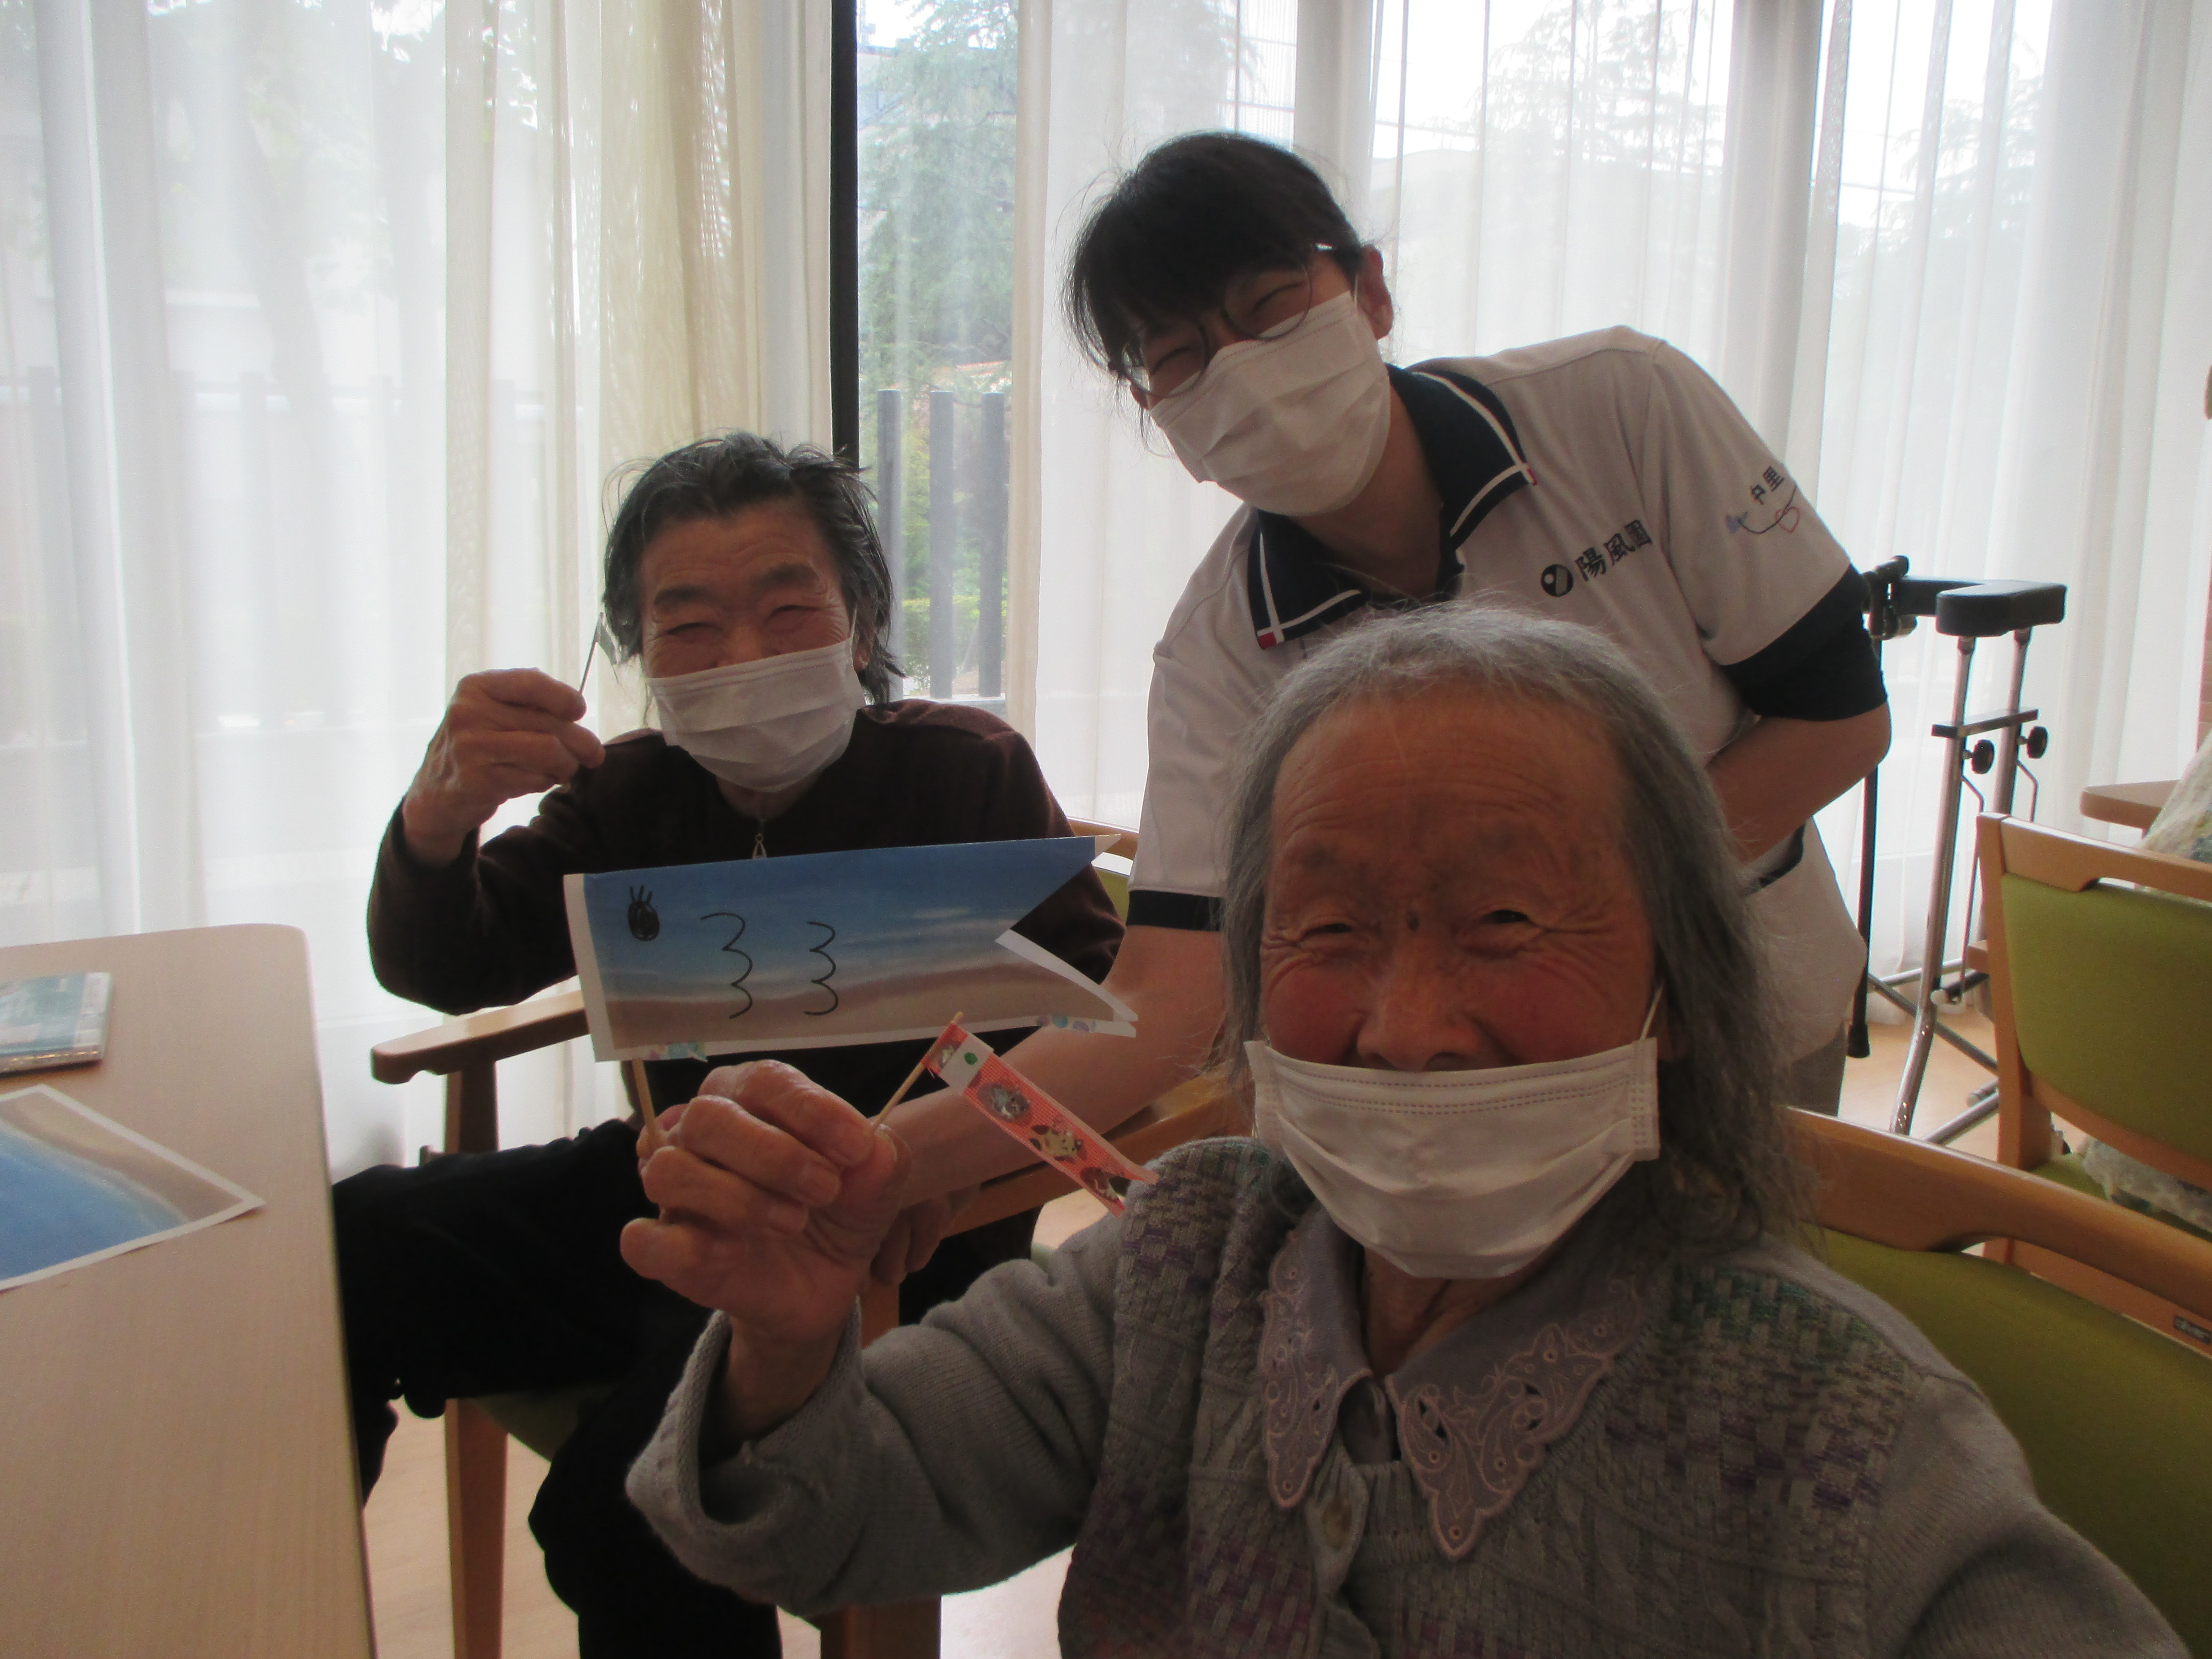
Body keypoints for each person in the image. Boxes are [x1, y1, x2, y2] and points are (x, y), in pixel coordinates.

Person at [617, 609, 2180, 1658]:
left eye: (1503, 920)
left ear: (1678, 989)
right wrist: (789, 1341)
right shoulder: (1186, 1258)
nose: (1406, 1026)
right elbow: (842, 1507)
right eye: (1329, 925)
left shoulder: (1835, 1437)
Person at [871, 132, 1888, 1245]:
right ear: (1159, 415)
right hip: (1444, 1091)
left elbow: (1838, 718)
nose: (1242, 370)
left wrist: (1564, 909)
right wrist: (888, 1159)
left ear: (1369, 290)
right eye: (1181, 356)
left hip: (1738, 1023)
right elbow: (1170, 994)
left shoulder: (1622, 406)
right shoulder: (1220, 651)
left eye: (1270, 306)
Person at [338, 432, 1122, 1658]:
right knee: (345, 1250)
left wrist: (933, 1166)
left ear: (861, 625)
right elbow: (453, 963)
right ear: (640, 655)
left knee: (624, 1514)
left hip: (886, 1245)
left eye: (787, 607)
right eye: (690, 625)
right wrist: (438, 818)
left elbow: (1099, 1017)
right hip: (671, 1188)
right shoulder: (629, 793)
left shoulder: (966, 776)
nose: (744, 656)